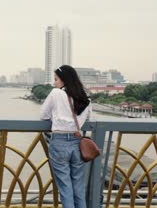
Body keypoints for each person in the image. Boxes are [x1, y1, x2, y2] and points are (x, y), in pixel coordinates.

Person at [40, 65, 92, 208]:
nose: (54, 83)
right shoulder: (85, 96)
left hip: (60, 141)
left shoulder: (56, 93)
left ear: (63, 80)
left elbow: (43, 115)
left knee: (65, 187)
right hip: (77, 143)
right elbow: (88, 117)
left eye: (56, 79)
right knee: (78, 187)